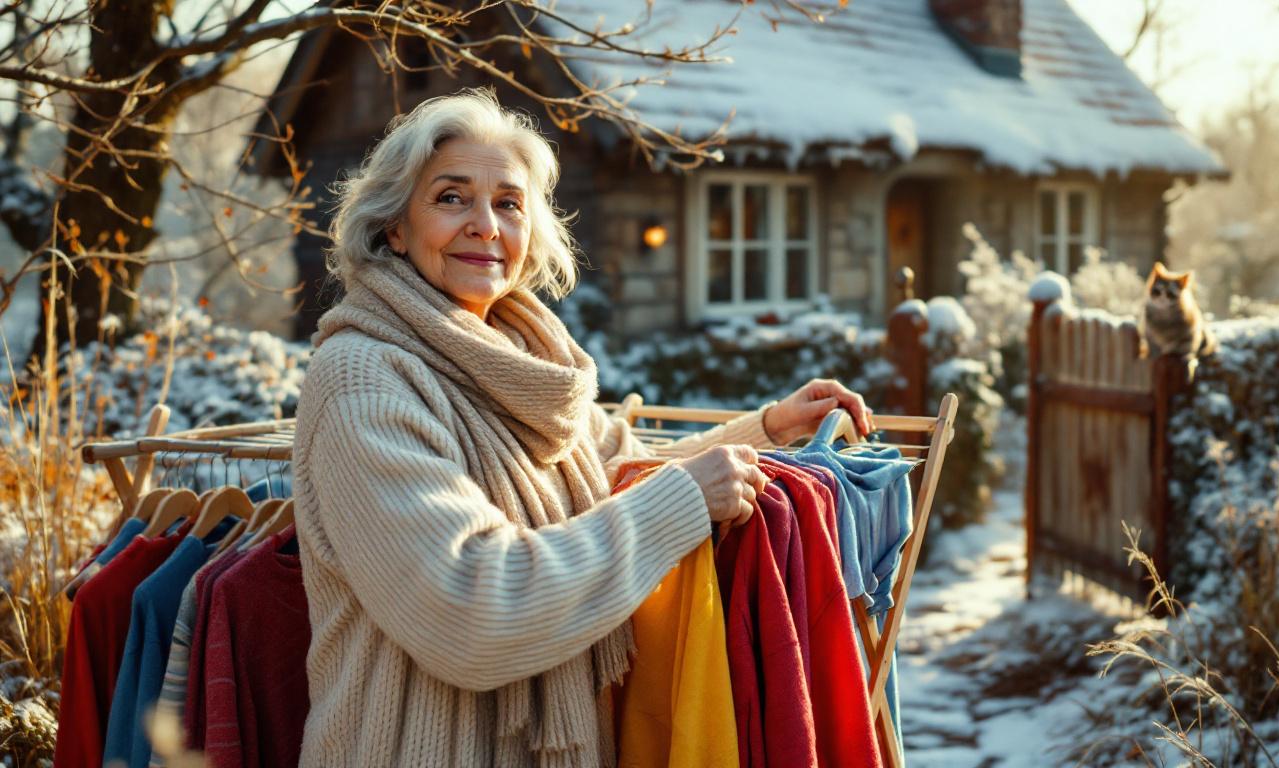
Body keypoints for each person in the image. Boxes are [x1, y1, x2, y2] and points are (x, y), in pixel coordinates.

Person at [292, 88, 875, 767]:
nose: (486, 225)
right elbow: (469, 613)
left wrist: (769, 429)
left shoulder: (519, 367)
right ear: (395, 226)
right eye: (452, 198)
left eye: (509, 203)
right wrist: (684, 501)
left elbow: (624, 475)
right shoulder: (363, 378)